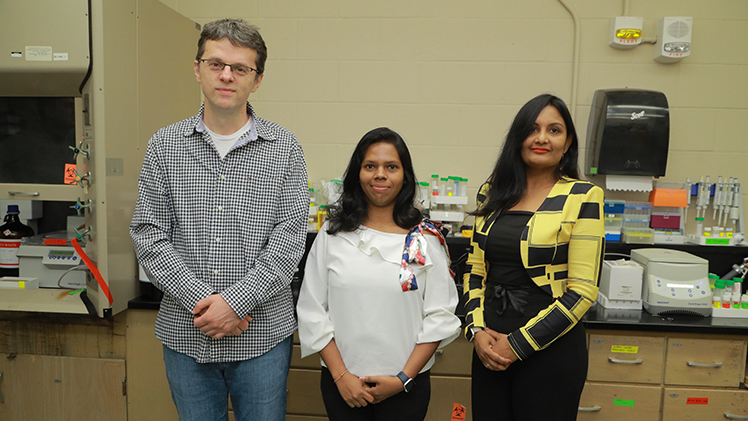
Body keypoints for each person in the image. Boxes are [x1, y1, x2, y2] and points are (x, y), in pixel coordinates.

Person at [129, 19, 308, 421]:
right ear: (197, 69)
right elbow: (148, 234)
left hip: (262, 336)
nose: (227, 75)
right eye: (216, 64)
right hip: (185, 333)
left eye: (241, 68)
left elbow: (290, 238)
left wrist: (236, 302)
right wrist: (205, 304)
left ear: (257, 80)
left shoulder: (285, 149)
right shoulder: (164, 145)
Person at [297, 127, 461, 421]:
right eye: (370, 166)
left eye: (391, 167)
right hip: (343, 386)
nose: (380, 175)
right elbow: (311, 310)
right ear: (357, 174)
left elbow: (439, 316)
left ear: (405, 176)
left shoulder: (424, 238)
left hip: (406, 388)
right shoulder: (332, 234)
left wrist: (402, 379)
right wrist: (341, 377)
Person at [463, 94, 605, 420]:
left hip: (549, 351)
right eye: (533, 129)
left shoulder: (582, 196)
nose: (542, 138)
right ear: (518, 138)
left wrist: (516, 345)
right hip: (489, 349)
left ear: (567, 143)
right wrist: (477, 331)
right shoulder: (492, 192)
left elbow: (583, 291)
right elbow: (474, 270)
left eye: (554, 130)